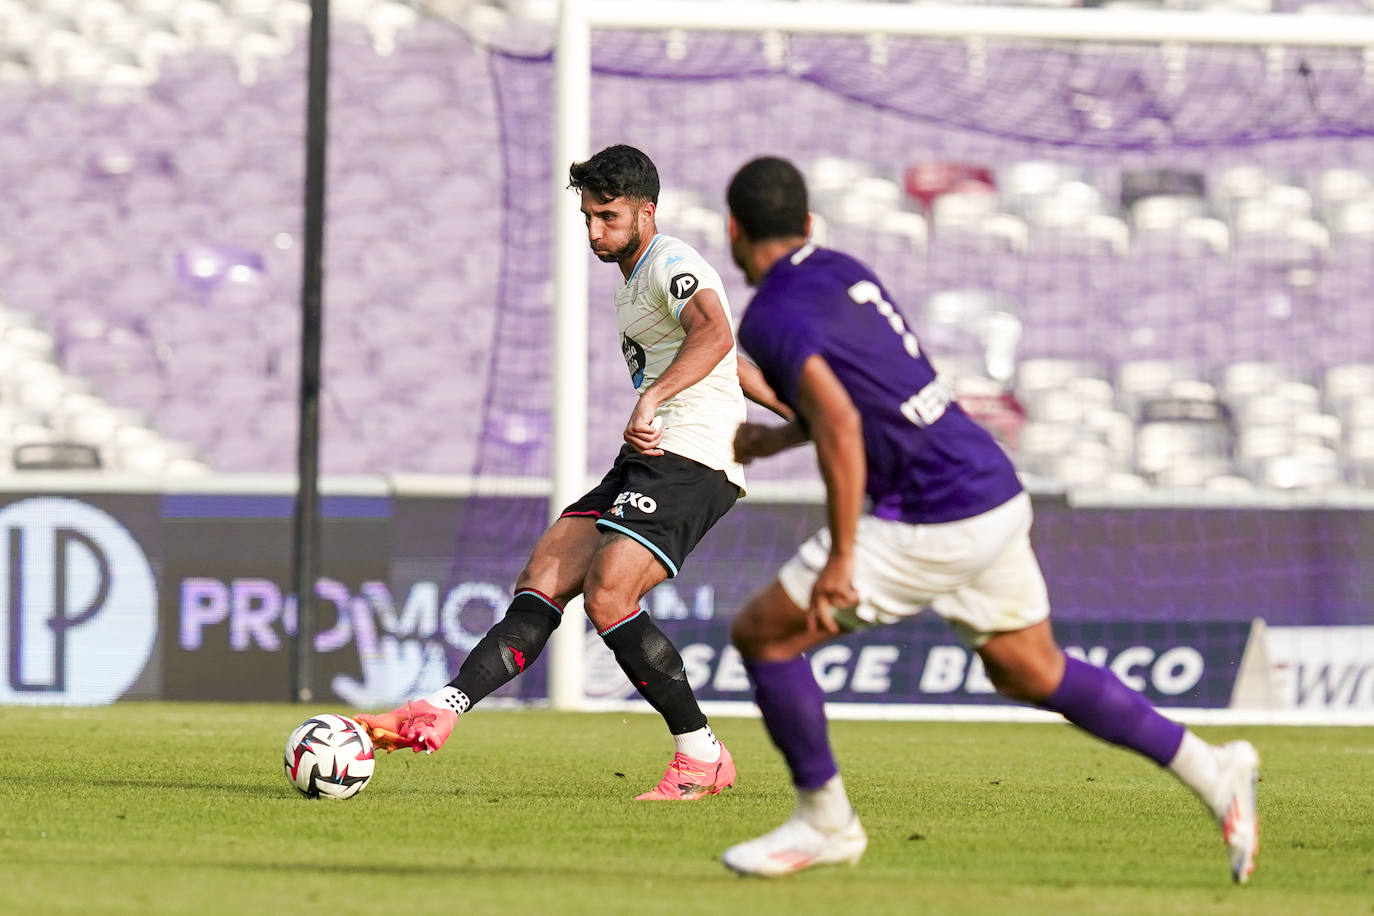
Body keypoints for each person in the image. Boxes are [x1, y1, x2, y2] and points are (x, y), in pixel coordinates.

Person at [717, 155, 1260, 878]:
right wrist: (779, 435)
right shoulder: (843, 267)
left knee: (766, 636)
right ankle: (1211, 769)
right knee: (1029, 669)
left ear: (733, 230)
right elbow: (873, 392)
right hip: (987, 482)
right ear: (808, 221)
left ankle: (825, 822)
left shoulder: (771, 316)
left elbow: (844, 424)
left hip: (932, 511)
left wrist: (844, 555)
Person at [358, 144, 790, 801]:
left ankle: (701, 756)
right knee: (544, 575)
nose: (594, 231)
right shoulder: (634, 280)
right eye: (587, 216)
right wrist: (800, 410)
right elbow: (728, 357)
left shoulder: (670, 261)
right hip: (650, 456)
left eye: (608, 216)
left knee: (610, 594)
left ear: (647, 212)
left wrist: (651, 397)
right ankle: (438, 710)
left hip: (695, 455)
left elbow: (715, 333)